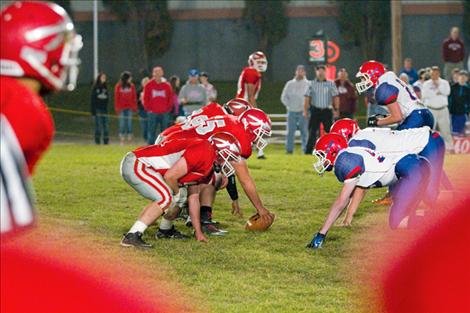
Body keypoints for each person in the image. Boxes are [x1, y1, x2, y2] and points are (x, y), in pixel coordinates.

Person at [307, 133, 433, 249]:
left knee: (397, 221)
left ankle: (440, 223)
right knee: (407, 218)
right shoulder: (352, 151)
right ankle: (433, 235)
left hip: (410, 168)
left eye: (322, 155)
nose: (320, 160)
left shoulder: (344, 162)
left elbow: (341, 202)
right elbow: (359, 188)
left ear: (333, 152)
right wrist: (348, 217)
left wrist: (321, 233)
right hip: (414, 165)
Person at [120, 132, 242, 247]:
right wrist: (177, 193)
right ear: (219, 151)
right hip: (139, 163)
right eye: (229, 157)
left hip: (148, 168)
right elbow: (170, 176)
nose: (229, 162)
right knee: (166, 198)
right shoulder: (204, 150)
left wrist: (198, 232)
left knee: (183, 196)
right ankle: (132, 235)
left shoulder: (208, 165)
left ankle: (165, 230)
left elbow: (193, 198)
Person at [329, 119, 446, 226]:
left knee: (431, 197)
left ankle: (455, 211)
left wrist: (348, 218)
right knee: (412, 199)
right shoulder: (366, 133)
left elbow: (360, 186)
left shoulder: (356, 144)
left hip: (425, 145)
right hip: (422, 146)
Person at [356, 60, 434, 130]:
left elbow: (397, 117)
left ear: (373, 74)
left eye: (364, 77)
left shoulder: (383, 88)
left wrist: (377, 122)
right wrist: (384, 117)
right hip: (425, 113)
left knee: (395, 144)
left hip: (415, 117)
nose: (363, 81)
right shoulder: (389, 79)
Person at [237, 51, 268, 159]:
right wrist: (255, 110)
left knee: (251, 130)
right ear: (252, 62)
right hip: (244, 104)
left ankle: (259, 152)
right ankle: (258, 152)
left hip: (241, 104)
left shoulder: (252, 72)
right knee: (256, 127)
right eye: (258, 61)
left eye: (262, 61)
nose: (261, 64)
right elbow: (250, 95)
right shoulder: (251, 72)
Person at [304, 64, 339, 154]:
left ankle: (331, 150)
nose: (320, 73)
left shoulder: (331, 83)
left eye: (322, 71)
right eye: (319, 71)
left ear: (325, 72)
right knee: (312, 131)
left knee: (329, 131)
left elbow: (335, 97)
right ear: (316, 72)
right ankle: (308, 151)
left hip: (326, 111)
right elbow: (307, 97)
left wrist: (336, 109)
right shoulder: (312, 84)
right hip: (315, 110)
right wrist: (305, 110)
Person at [421, 66, 453, 151]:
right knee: (430, 130)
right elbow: (424, 95)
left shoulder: (444, 82)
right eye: (432, 74)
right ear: (430, 74)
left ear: (439, 73)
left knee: (446, 130)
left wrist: (439, 87)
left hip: (443, 109)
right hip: (431, 110)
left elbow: (447, 92)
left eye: (436, 73)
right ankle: (428, 149)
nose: (434, 75)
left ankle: (450, 148)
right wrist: (436, 92)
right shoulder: (426, 84)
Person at [280, 65, 310, 154]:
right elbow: (283, 97)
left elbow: (311, 97)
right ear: (295, 72)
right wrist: (289, 106)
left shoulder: (308, 84)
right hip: (291, 111)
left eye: (302, 71)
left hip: (303, 112)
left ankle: (305, 150)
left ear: (304, 72)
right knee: (290, 132)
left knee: (304, 132)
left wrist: (307, 108)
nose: (300, 72)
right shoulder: (290, 84)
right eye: (298, 71)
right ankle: (289, 150)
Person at [143, 66, 173, 145]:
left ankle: (164, 148)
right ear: (153, 74)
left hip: (164, 113)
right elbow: (145, 98)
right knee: (151, 132)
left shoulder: (167, 85)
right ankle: (150, 148)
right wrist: (148, 109)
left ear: (162, 73)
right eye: (156, 72)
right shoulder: (148, 85)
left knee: (165, 133)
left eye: (159, 72)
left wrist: (168, 109)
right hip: (152, 113)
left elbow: (170, 98)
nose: (157, 74)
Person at [114, 71, 137, 145]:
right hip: (121, 108)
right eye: (130, 77)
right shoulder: (118, 86)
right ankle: (122, 140)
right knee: (122, 124)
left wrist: (134, 107)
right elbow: (116, 98)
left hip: (129, 108)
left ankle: (130, 139)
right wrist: (117, 108)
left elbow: (134, 97)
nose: (131, 79)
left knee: (129, 123)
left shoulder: (132, 86)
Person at [449, 70, 470, 136]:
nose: (462, 79)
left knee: (463, 131)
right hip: (453, 112)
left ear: (467, 79)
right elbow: (449, 99)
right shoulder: (453, 87)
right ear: (458, 77)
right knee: (454, 131)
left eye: (464, 77)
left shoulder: (468, 89)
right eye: (461, 77)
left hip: (463, 113)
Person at [90, 72, 109, 145]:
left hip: (104, 109)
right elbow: (92, 99)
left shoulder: (105, 87)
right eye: (102, 77)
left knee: (106, 126)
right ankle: (97, 141)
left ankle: (106, 141)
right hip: (97, 109)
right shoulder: (95, 87)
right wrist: (93, 111)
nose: (104, 79)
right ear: (99, 78)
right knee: (98, 126)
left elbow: (107, 98)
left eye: (105, 77)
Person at [137, 77, 149, 142]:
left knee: (150, 127)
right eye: (145, 82)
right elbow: (136, 101)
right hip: (142, 111)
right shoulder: (139, 91)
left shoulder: (151, 91)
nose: (146, 83)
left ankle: (149, 141)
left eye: (147, 82)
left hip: (150, 111)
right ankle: (145, 138)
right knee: (144, 126)